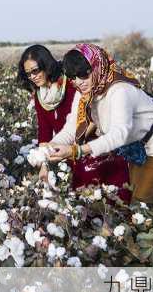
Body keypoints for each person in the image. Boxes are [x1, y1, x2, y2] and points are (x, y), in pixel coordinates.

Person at [49, 43, 153, 204]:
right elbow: (72, 126)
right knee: (132, 194)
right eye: (72, 76)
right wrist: (52, 146)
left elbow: (119, 134)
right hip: (135, 146)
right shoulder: (85, 91)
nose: (78, 81)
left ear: (97, 66)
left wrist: (77, 151)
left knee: (141, 201)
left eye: (83, 74)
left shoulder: (120, 91)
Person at [18, 45, 131, 201]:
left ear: (46, 65)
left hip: (95, 148)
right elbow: (45, 131)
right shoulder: (40, 96)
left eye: (35, 70)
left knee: (109, 198)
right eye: (28, 74)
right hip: (68, 149)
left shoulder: (73, 84)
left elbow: (89, 120)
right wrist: (44, 161)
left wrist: (74, 150)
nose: (33, 77)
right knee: (81, 202)